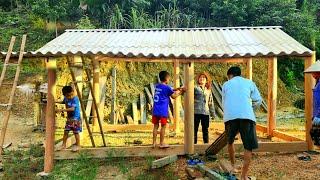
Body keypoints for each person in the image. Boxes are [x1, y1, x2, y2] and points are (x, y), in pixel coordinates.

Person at [222, 66, 262, 180]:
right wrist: (250, 109)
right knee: (248, 146)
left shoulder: (226, 84)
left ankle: (233, 166)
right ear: (239, 74)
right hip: (247, 117)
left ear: (230, 75)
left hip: (230, 117)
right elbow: (258, 100)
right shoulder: (249, 82)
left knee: (230, 142)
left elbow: (224, 102)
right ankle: (244, 176)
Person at [152, 71, 186, 148]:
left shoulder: (157, 86)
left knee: (155, 126)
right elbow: (173, 96)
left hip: (155, 110)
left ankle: (153, 143)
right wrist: (181, 91)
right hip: (162, 111)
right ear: (167, 79)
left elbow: (168, 90)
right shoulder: (167, 87)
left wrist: (176, 89)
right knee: (163, 126)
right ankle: (161, 143)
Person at [56, 86, 81, 152]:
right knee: (66, 131)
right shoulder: (66, 98)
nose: (70, 97)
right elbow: (63, 102)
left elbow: (72, 109)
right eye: (68, 96)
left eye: (71, 95)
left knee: (75, 132)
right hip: (69, 118)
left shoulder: (75, 99)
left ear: (73, 92)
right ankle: (63, 145)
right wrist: (55, 101)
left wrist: (61, 110)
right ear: (64, 95)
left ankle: (78, 145)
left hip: (75, 118)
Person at [194, 72, 216, 144]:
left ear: (206, 80)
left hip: (205, 112)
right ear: (198, 79)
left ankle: (206, 145)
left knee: (205, 129)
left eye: (204, 77)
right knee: (194, 129)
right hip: (196, 112)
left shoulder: (208, 90)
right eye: (200, 77)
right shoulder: (194, 88)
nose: (202, 78)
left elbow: (210, 102)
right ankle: (194, 145)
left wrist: (213, 114)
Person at [304, 61, 320, 146]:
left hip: (319, 114)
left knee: (316, 135)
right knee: (315, 134)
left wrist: (318, 115)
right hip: (317, 113)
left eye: (314, 73)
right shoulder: (318, 83)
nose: (312, 75)